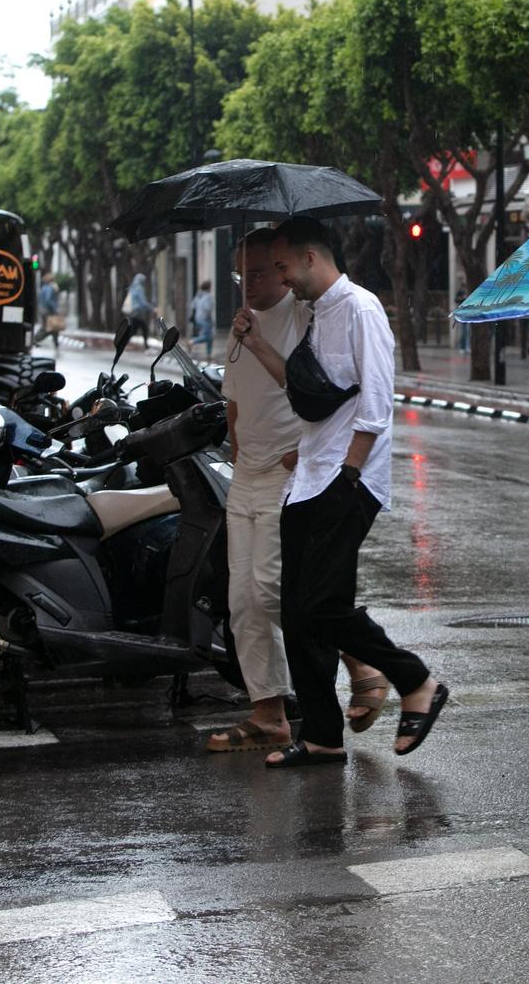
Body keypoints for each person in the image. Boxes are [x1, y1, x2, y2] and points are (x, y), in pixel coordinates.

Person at [233, 216, 447, 769]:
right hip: (308, 476)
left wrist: (348, 476)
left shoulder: (360, 308)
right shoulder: (315, 314)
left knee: (324, 605)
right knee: (300, 614)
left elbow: (376, 403)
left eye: (281, 266)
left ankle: (414, 679)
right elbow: (304, 387)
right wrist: (255, 343)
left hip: (346, 479)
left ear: (309, 258)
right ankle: (325, 736)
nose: (279, 277)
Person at [206, 229, 389, 754]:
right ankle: (268, 712)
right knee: (242, 602)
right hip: (247, 472)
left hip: (295, 472)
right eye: (242, 275)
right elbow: (234, 400)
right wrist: (236, 444)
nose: (254, 285)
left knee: (277, 594)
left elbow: (319, 393)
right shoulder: (241, 323)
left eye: (265, 272)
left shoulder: (310, 316)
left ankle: (363, 665)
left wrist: (317, 462)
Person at [123, 271, 154, 346]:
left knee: (134, 330)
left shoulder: (132, 287)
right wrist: (152, 309)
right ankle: (146, 346)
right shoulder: (139, 289)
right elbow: (142, 303)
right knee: (144, 328)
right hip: (137, 313)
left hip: (132, 313)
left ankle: (123, 343)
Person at [190, 280, 215, 358]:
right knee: (208, 337)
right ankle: (192, 341)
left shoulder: (198, 295)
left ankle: (209, 354)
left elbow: (192, 305)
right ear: (208, 288)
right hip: (205, 318)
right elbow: (208, 308)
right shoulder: (208, 296)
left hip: (198, 318)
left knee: (209, 337)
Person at [38, 277, 63, 348]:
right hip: (49, 311)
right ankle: (35, 339)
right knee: (48, 328)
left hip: (44, 310)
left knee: (54, 327)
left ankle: (56, 343)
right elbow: (48, 299)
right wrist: (54, 309)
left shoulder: (44, 288)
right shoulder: (50, 288)